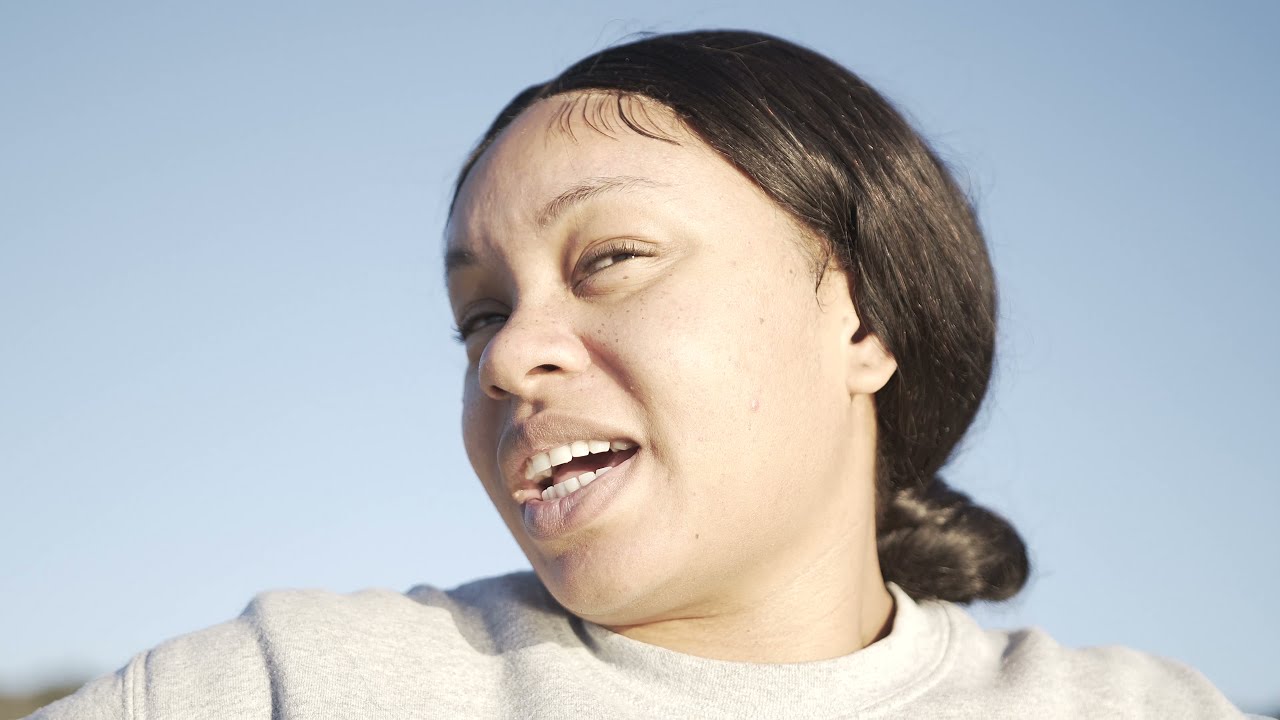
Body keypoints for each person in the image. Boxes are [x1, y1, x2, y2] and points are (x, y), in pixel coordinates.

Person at [31, 30, 1253, 719]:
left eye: (609, 260)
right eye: (477, 316)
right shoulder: (283, 688)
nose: (507, 356)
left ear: (863, 320)